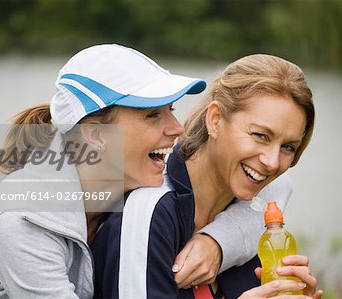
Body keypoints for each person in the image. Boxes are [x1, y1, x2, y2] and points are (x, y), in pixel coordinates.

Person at [0, 44, 207, 298]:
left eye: (170, 110)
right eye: (152, 115)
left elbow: (235, 203)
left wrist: (215, 244)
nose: (178, 128)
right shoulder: (19, 222)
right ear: (96, 135)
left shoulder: (133, 177)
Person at [92, 54, 323, 298]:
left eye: (288, 147)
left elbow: (284, 185)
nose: (273, 162)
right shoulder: (149, 215)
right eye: (260, 135)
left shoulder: (254, 219)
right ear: (215, 120)